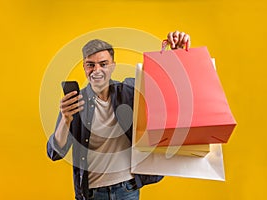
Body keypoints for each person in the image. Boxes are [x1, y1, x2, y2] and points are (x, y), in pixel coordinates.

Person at [47, 31, 191, 200]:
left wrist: (176, 54)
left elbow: (165, 90)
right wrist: (65, 120)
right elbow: (55, 153)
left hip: (127, 189)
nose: (97, 70)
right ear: (84, 68)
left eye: (103, 64)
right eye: (90, 65)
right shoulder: (75, 103)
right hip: (92, 193)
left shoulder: (129, 92)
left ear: (113, 66)